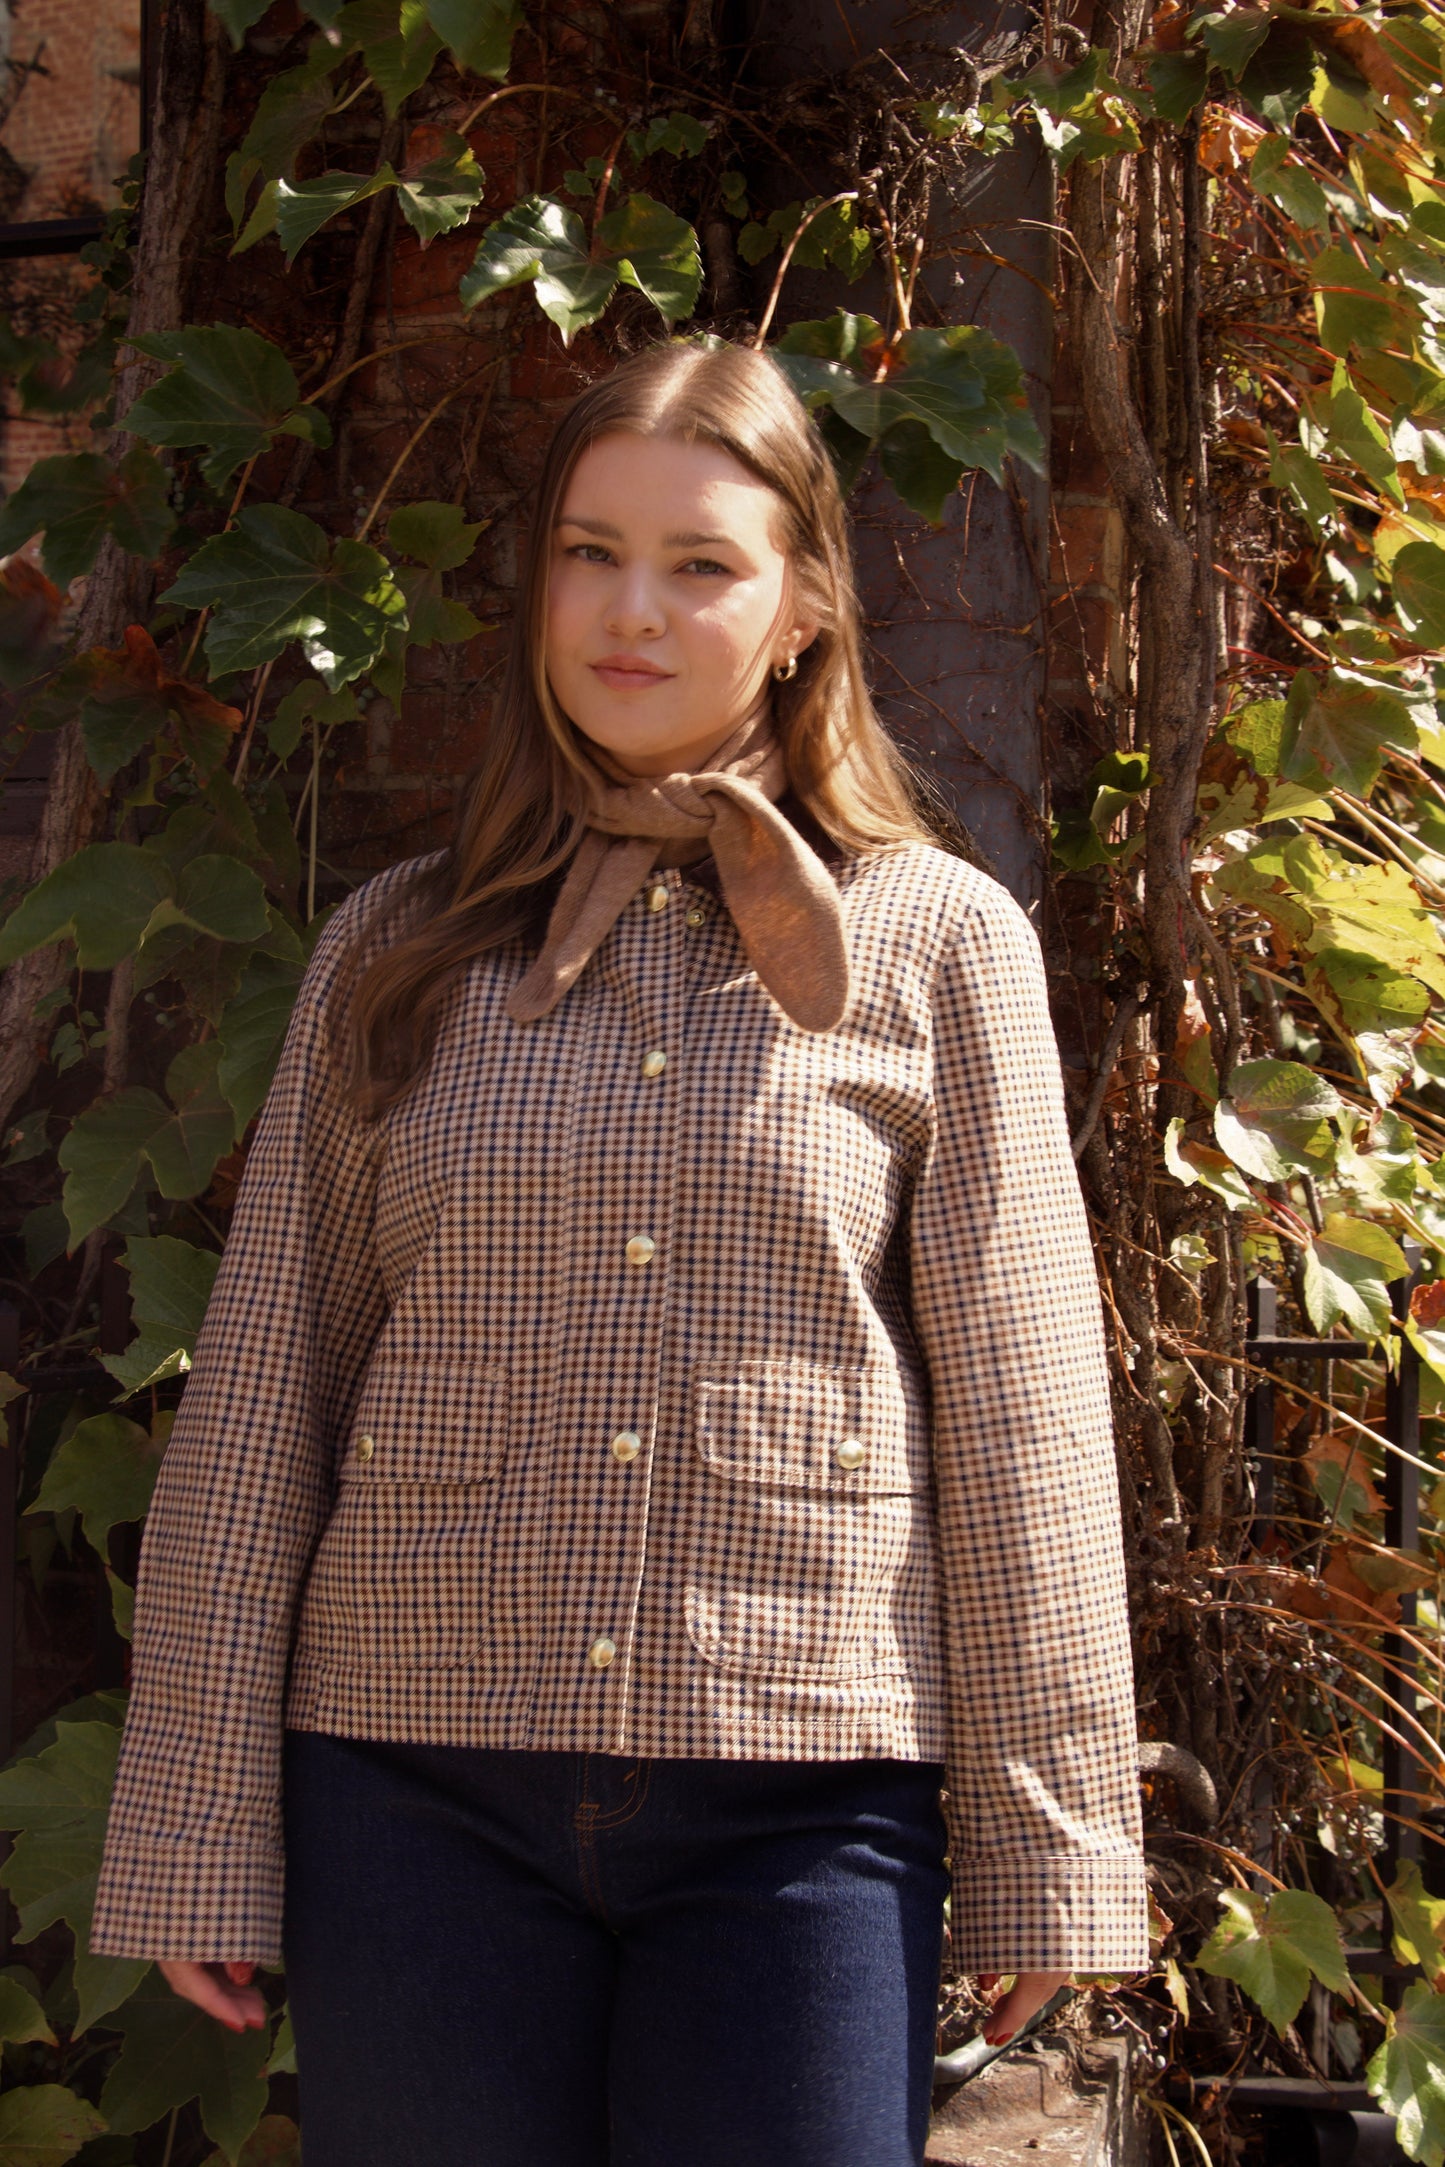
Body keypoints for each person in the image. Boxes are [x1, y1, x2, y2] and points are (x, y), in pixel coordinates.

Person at [91, 339, 1148, 2167]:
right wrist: (196, 1819)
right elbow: (263, 1388)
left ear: (807, 603)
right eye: (589, 554)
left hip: (807, 1804)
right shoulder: (394, 945)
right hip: (411, 1792)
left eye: (699, 563)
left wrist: (1052, 1849)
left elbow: (1025, 1413)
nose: (628, 612)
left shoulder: (937, 944)